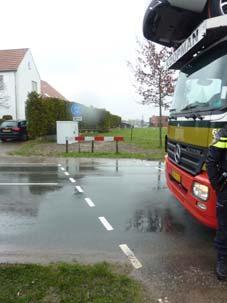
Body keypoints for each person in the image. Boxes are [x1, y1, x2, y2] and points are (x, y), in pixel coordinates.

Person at [206, 126, 227, 280]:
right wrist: (218, 185)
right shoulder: (224, 133)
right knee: (224, 228)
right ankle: (223, 261)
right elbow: (211, 161)